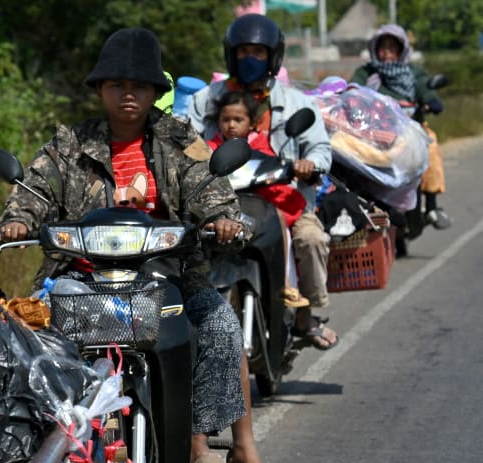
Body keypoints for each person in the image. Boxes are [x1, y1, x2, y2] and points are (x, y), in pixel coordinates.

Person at [0, 27, 277, 463]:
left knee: (221, 327)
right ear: (101, 90)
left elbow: (211, 191)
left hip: (168, 277)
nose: (129, 94)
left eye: (140, 86)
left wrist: (224, 220)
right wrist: (18, 221)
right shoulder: (69, 143)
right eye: (118, 85)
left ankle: (199, 443)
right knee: (21, 340)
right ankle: (43, 448)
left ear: (154, 93)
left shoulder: (180, 140)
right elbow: (32, 194)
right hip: (80, 278)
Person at [188, 13, 339, 352]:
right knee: (183, 244)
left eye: (258, 52)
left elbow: (319, 147)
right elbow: (184, 139)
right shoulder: (206, 98)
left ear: (273, 56)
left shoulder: (297, 102)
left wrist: (309, 164)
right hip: (219, 198)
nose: (251, 59)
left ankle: (305, 313)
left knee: (311, 238)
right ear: (231, 55)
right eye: (244, 52)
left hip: (283, 198)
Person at [207, 89, 309, 309]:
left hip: (259, 202)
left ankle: (287, 283)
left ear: (251, 124)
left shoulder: (260, 145)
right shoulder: (210, 148)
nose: (231, 125)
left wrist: (291, 168)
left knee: (279, 220)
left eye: (238, 119)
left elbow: (271, 166)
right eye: (225, 120)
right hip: (223, 206)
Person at [350, 23, 451, 230]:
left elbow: (426, 89)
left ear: (402, 50)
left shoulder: (414, 72)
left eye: (392, 47)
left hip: (413, 130)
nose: (387, 53)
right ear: (375, 50)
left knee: (430, 146)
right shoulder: (366, 72)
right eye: (383, 47)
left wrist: (432, 101)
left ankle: (431, 206)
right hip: (377, 131)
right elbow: (352, 89)